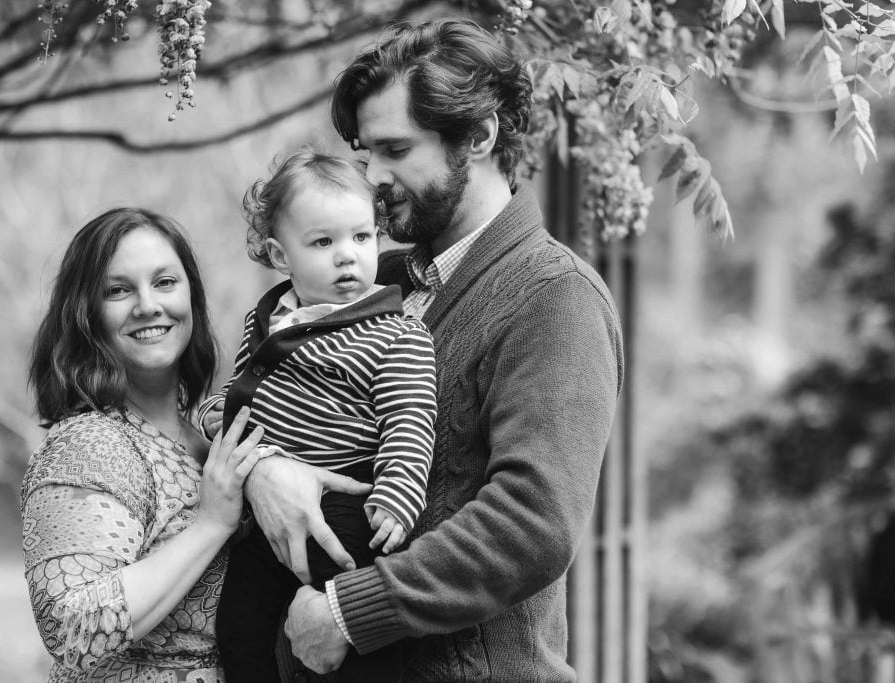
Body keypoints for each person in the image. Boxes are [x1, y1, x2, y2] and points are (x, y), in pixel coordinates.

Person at [239, 18, 624, 681]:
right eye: (364, 154)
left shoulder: (555, 298)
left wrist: (349, 611)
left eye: (394, 150)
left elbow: (532, 525)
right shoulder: (374, 279)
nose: (372, 177)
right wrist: (263, 468)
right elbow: (265, 388)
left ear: (478, 136)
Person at [198, 148, 438, 682]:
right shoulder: (267, 320)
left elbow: (410, 421)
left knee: (357, 660)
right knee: (240, 629)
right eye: (323, 242)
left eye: (361, 237)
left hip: (347, 516)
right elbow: (242, 394)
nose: (347, 256)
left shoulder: (395, 333)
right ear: (280, 256)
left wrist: (397, 495)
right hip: (264, 519)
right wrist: (217, 415)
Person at [21, 207, 271, 682]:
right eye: (117, 290)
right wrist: (210, 524)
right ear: (85, 314)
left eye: (165, 282)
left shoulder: (206, 432)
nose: (147, 305)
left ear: (192, 298)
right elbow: (71, 628)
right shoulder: (90, 444)